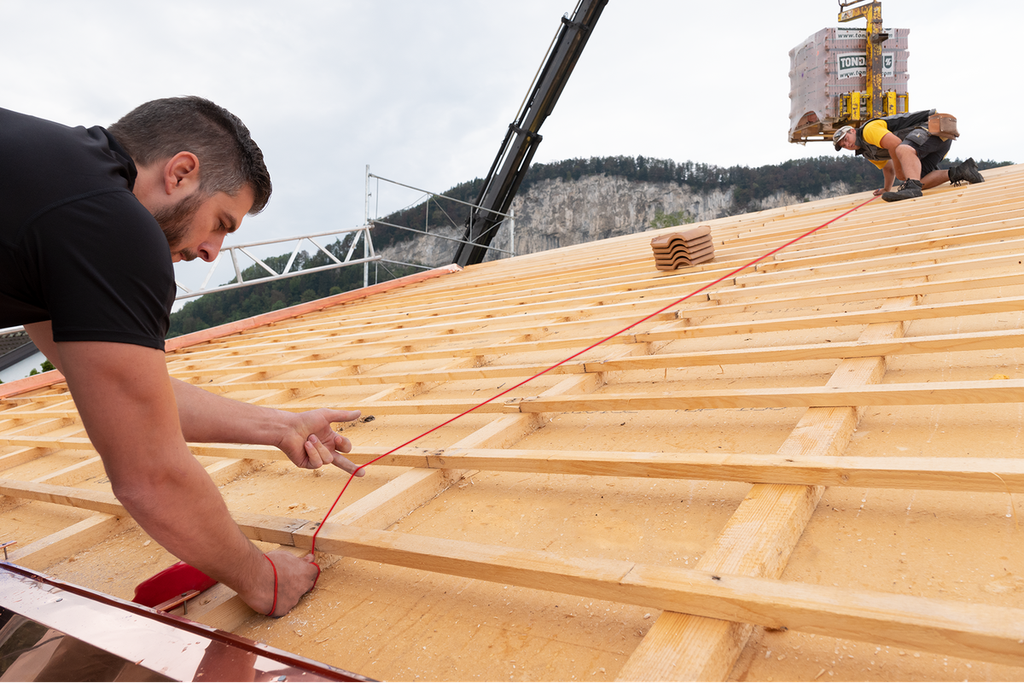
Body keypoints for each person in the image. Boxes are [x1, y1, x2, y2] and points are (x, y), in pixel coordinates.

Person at [0, 97, 364, 617]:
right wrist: (262, 579)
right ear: (180, 173)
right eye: (220, 222)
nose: (212, 250)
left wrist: (279, 426)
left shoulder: (55, 188)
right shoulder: (112, 224)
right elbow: (150, 475)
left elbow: (133, 395)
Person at [832, 109, 985, 202]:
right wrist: (886, 188)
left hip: (934, 126)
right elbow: (888, 168)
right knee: (918, 180)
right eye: (843, 145)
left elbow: (895, 144)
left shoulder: (868, 130)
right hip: (935, 142)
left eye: (846, 139)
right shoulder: (867, 152)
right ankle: (962, 171)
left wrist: (901, 174)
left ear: (853, 131)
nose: (847, 144)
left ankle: (912, 189)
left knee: (903, 151)